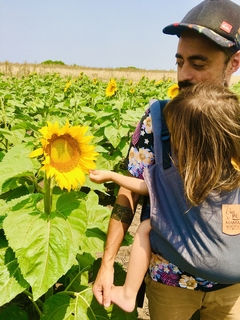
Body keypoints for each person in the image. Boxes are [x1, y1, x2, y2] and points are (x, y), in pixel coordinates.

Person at [92, 0, 240, 319]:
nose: (184, 74)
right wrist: (107, 265)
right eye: (179, 61)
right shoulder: (157, 119)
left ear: (234, 63)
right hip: (171, 284)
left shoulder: (236, 123)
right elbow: (131, 191)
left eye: (199, 64)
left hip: (232, 291)